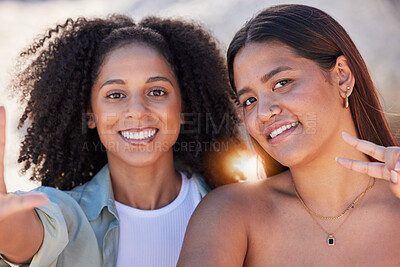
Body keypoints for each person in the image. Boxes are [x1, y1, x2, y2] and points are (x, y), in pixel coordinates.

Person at [0, 14, 238, 266]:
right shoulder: (67, 213)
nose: (136, 110)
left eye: (157, 91)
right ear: (90, 114)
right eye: (115, 94)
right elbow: (24, 235)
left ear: (183, 108)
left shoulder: (233, 205)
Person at [177, 4, 400, 266]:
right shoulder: (230, 214)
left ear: (342, 76)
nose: (263, 112)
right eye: (249, 100)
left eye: (281, 83)